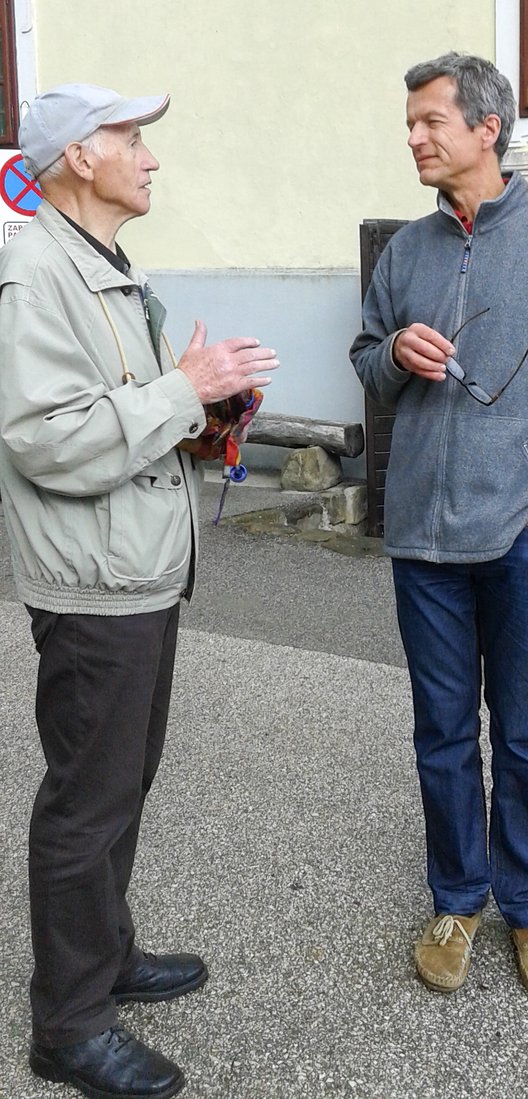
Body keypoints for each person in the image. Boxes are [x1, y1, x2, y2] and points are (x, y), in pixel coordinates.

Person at [0, 83, 278, 1098]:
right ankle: (69, 1026)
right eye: (131, 138)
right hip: (92, 585)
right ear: (79, 155)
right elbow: (44, 438)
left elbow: (121, 412)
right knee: (87, 801)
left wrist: (208, 413)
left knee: (120, 785)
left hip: (137, 571)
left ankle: (105, 955)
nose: (150, 157)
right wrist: (182, 386)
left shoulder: (102, 262)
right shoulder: (36, 272)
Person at [350, 53, 528, 1001]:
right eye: (412, 122)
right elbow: (364, 360)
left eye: (431, 121)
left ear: (486, 128)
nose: (416, 137)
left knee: (524, 731)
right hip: (422, 543)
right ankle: (457, 895)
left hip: (521, 539)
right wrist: (391, 351)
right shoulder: (407, 252)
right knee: (439, 732)